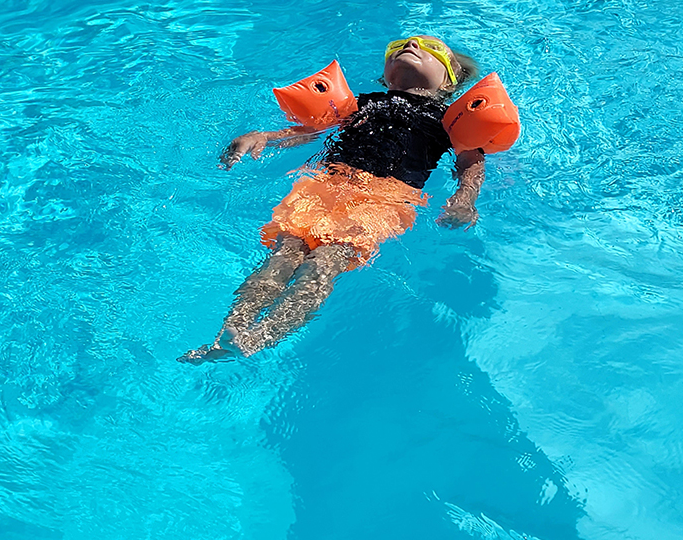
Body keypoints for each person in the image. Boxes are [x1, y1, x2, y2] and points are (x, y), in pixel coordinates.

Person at [180, 35, 483, 362]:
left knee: (323, 264)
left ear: (449, 78)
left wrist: (465, 198)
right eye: (397, 46)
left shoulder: (449, 118)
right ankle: (229, 332)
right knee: (282, 256)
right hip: (326, 184)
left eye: (429, 47)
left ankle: (263, 336)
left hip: (384, 197)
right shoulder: (361, 102)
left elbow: (470, 160)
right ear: (386, 73)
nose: (409, 46)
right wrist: (264, 137)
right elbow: (310, 130)